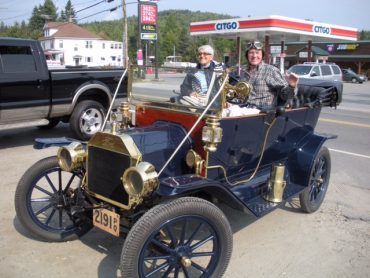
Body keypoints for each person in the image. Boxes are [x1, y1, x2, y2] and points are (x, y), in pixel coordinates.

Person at [241, 41, 299, 108]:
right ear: (247, 55)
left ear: (262, 55)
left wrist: (292, 86)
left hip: (261, 112)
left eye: (257, 53)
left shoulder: (270, 70)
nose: (254, 56)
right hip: (242, 107)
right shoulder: (243, 71)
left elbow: (285, 96)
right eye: (251, 53)